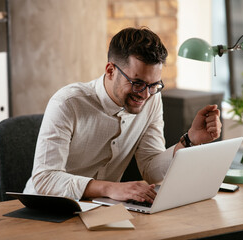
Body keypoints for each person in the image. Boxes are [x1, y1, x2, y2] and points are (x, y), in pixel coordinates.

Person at [23, 27, 222, 204]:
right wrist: (110, 188)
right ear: (110, 70)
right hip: (46, 210)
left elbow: (151, 170)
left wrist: (190, 141)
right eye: (137, 83)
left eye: (154, 85)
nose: (145, 94)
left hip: (100, 209)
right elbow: (45, 178)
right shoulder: (67, 103)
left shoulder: (151, 100)